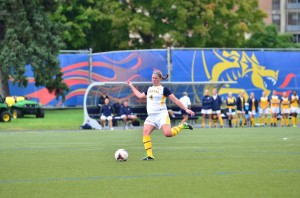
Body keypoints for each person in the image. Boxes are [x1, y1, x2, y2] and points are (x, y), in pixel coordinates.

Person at [126, 70, 195, 160]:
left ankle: (182, 126)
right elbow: (139, 95)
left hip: (161, 115)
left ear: (159, 79)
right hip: (151, 116)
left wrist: (186, 109)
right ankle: (150, 155)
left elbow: (176, 100)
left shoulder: (164, 89)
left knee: (167, 134)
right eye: (152, 78)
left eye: (155, 78)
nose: (153, 80)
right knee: (145, 133)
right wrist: (131, 86)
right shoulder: (149, 89)